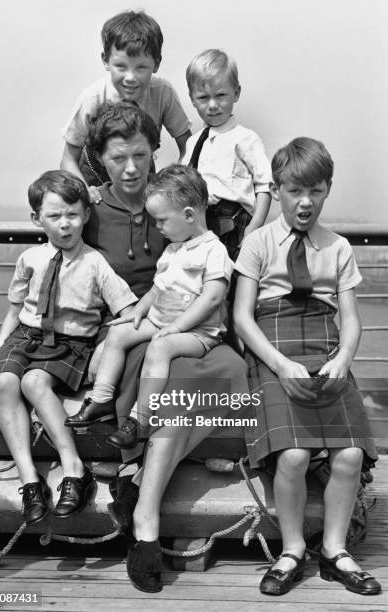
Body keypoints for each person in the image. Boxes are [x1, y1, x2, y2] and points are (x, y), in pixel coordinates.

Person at [0, 103, 250, 593]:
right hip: (132, 330)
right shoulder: (90, 210)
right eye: (118, 157)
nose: (131, 168)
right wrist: (10, 331)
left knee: (226, 374)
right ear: (100, 158)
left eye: (141, 155)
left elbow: (217, 275)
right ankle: (145, 521)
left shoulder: (175, 199)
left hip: (194, 326)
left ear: (154, 153)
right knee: (172, 379)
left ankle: (140, 486)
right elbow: (59, 269)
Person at [233, 137, 381, 596]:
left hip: (325, 346)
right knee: (294, 456)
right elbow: (241, 317)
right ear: (277, 190)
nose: (305, 202)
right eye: (295, 190)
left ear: (327, 190)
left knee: (351, 455)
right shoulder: (257, 243)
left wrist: (344, 359)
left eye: (316, 191)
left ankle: (335, 552)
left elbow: (351, 320)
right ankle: (292, 550)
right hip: (273, 350)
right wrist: (278, 365)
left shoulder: (337, 247)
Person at [0, 170, 137, 526]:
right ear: (37, 219)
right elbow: (16, 311)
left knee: (33, 383)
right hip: (25, 337)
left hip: (70, 344)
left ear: (85, 215)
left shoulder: (95, 263)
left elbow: (127, 311)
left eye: (73, 215)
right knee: (4, 383)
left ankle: (75, 470)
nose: (65, 225)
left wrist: (105, 346)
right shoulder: (30, 259)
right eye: (55, 216)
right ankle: (30, 480)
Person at [67, 165, 233, 449]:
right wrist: (137, 312)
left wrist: (176, 328)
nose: (157, 227)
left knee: (159, 348)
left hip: (197, 332)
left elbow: (213, 298)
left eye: (162, 220)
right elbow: (157, 289)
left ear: (189, 216)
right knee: (117, 335)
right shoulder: (172, 249)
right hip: (160, 321)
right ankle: (102, 398)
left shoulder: (213, 250)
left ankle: (139, 419)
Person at [60, 9, 191, 197]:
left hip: (139, 172)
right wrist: (85, 192)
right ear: (105, 60)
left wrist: (173, 184)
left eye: (141, 68)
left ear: (156, 63)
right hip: (93, 178)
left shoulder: (163, 93)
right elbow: (68, 160)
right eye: (121, 66)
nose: (130, 78)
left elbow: (189, 147)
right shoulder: (92, 98)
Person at [182, 49, 272, 261]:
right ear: (192, 99)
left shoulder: (246, 139)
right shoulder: (193, 143)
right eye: (203, 97)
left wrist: (255, 227)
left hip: (237, 223)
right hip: (202, 223)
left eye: (221, 95)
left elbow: (264, 186)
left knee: (236, 283)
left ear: (236, 93)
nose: (212, 105)